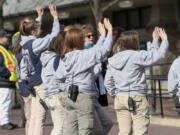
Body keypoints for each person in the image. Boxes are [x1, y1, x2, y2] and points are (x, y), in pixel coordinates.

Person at [104, 27, 169, 135]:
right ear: (133, 43)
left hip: (120, 98)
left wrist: (115, 94)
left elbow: (108, 82)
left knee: (124, 132)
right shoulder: (137, 55)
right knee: (140, 132)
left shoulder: (113, 59)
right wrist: (163, 40)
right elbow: (157, 56)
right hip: (137, 97)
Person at [54, 18, 113, 135]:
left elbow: (58, 77)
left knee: (70, 129)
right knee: (86, 129)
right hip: (83, 96)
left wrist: (63, 92)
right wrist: (109, 31)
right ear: (78, 40)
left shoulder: (64, 57)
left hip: (70, 95)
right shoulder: (83, 55)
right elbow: (104, 50)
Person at [13, 4, 60, 135]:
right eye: (38, 29)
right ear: (34, 32)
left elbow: (30, 29)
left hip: (31, 83)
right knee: (41, 117)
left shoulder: (22, 43)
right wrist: (55, 18)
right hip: (40, 83)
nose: (41, 30)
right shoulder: (34, 44)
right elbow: (54, 35)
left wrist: (39, 16)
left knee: (34, 117)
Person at [12, 6, 45, 135]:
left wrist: (40, 16)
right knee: (34, 117)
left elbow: (34, 31)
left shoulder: (21, 40)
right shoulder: (24, 43)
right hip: (28, 83)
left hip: (25, 82)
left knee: (32, 117)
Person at [81, 24, 113, 135]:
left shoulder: (92, 50)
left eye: (92, 35)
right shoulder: (81, 53)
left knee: (108, 123)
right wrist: (98, 66)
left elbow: (101, 49)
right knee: (94, 129)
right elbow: (89, 76)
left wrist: (104, 35)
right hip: (84, 95)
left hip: (95, 92)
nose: (91, 37)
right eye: (88, 36)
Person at [40, 31, 65, 135]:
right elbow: (61, 77)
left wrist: (46, 96)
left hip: (50, 96)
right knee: (61, 128)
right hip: (57, 96)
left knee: (58, 126)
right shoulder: (56, 60)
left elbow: (44, 78)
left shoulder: (46, 59)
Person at [0, 30, 18, 130]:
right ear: (0, 38)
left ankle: (7, 121)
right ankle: (4, 122)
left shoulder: (6, 49)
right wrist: (7, 74)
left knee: (9, 102)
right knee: (4, 102)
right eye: (6, 37)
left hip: (9, 81)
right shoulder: (1, 49)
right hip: (4, 81)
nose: (8, 39)